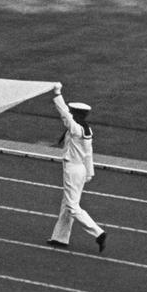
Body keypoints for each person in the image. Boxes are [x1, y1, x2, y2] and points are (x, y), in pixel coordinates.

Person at [47, 87, 107, 253]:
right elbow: (89, 153)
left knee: (72, 206)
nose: (71, 113)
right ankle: (60, 237)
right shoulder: (87, 129)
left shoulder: (74, 128)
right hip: (80, 169)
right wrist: (89, 172)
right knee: (67, 204)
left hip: (72, 168)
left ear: (77, 114)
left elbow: (64, 113)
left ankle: (98, 233)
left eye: (73, 112)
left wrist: (58, 94)